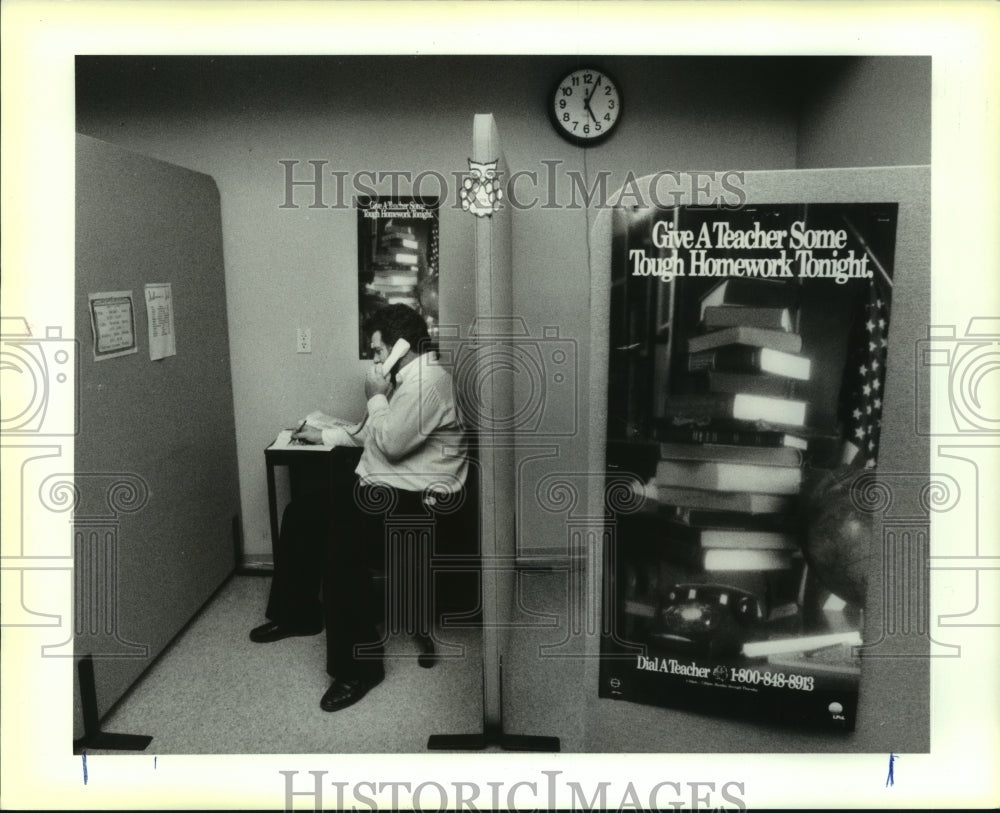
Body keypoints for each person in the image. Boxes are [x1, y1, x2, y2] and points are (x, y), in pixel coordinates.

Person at [249, 304, 469, 712]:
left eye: (378, 351)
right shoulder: (409, 381)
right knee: (301, 513)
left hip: (413, 500)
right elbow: (370, 434)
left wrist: (374, 396)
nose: (374, 361)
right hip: (383, 484)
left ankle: (360, 669)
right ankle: (299, 614)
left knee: (340, 547)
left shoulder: (429, 384)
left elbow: (390, 442)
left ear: (402, 347)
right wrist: (324, 434)